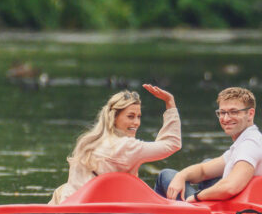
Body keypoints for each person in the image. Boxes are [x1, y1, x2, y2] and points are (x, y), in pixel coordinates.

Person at [49, 85, 180, 204]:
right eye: (130, 116)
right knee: (166, 175)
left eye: (139, 117)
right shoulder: (128, 146)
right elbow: (172, 143)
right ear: (115, 117)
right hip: (92, 211)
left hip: (66, 204)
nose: (136, 122)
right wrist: (170, 103)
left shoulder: (88, 141)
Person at [154, 87, 262, 202]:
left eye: (233, 112)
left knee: (165, 175)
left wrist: (197, 197)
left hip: (242, 211)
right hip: (239, 204)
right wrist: (181, 176)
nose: (226, 118)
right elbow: (203, 171)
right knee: (205, 164)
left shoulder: (250, 144)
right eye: (222, 112)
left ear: (250, 114)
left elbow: (230, 187)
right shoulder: (245, 140)